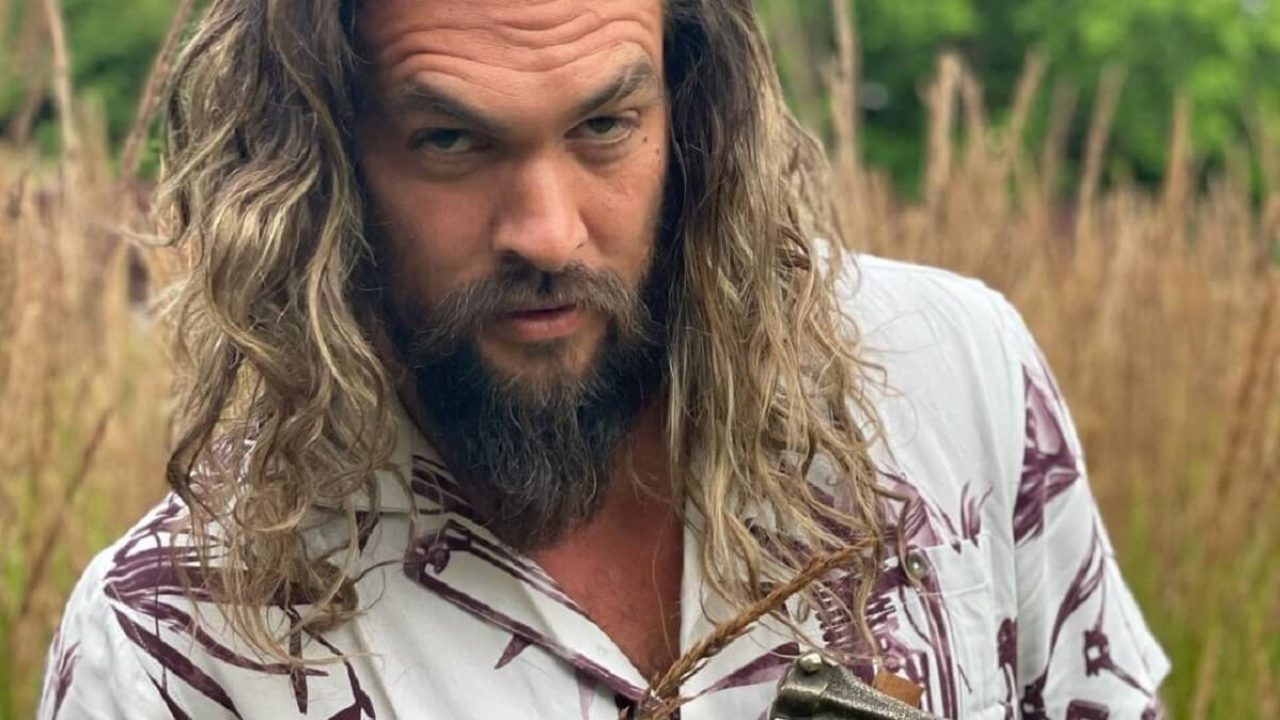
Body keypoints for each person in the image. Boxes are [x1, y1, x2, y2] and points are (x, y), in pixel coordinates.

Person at [38, 1, 1170, 718]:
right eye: (450, 140)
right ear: (323, 160)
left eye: (604, 127)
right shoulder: (175, 645)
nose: (546, 232)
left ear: (691, 109)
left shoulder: (949, 377)